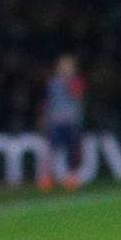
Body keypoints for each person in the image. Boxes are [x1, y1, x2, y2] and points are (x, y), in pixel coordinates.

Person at [40, 54, 86, 192]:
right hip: (55, 121)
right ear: (58, 67)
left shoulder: (77, 81)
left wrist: (68, 82)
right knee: (52, 149)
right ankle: (46, 177)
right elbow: (48, 101)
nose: (66, 69)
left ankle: (72, 177)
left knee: (73, 150)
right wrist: (44, 117)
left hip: (72, 121)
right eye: (63, 66)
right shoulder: (52, 82)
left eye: (69, 66)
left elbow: (77, 94)